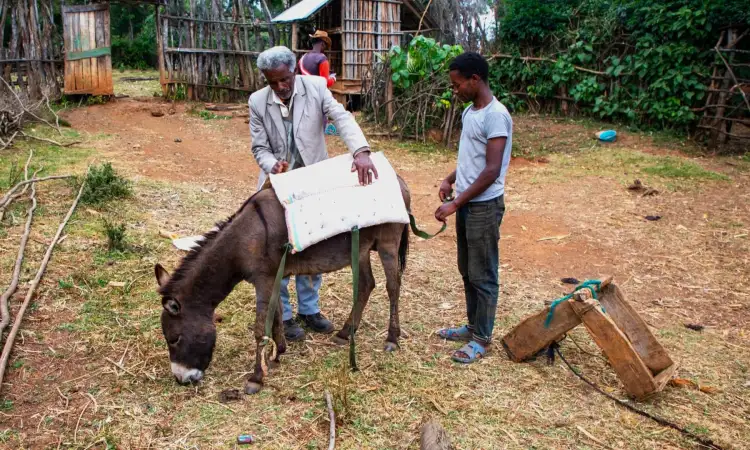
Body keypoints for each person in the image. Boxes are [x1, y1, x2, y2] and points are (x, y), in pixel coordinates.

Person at [248, 46, 379, 342]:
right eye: (272, 82)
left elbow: (342, 118)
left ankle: (309, 310)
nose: (280, 87)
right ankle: (284, 315)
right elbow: (259, 147)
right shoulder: (257, 101)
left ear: (294, 70)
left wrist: (360, 151)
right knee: (277, 251)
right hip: (277, 187)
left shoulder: (317, 87)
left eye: (284, 80)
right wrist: (272, 164)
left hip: (314, 183)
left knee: (312, 244)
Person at [434, 52, 513, 364]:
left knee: (483, 273)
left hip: (484, 206)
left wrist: (455, 203)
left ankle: (482, 337)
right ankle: (472, 327)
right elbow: (470, 159)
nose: (455, 90)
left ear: (475, 79)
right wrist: (450, 179)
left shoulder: (496, 116)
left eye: (458, 84)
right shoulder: (470, 112)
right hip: (468, 204)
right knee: (467, 269)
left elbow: (491, 170)